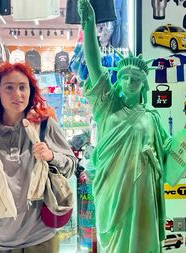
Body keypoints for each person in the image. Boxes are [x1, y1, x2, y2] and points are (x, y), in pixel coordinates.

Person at [77, 0, 186, 252]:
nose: (129, 82)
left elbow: (168, 151)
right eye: (124, 77)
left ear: (143, 85)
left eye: (135, 79)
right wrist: (90, 24)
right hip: (113, 190)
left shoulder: (151, 116)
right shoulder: (107, 106)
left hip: (145, 191)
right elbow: (94, 64)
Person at [0, 62, 78, 253]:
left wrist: (51, 156)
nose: (17, 94)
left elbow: (71, 165)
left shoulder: (44, 126)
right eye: (9, 88)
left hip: (40, 240)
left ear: (30, 90)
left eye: (22, 87)